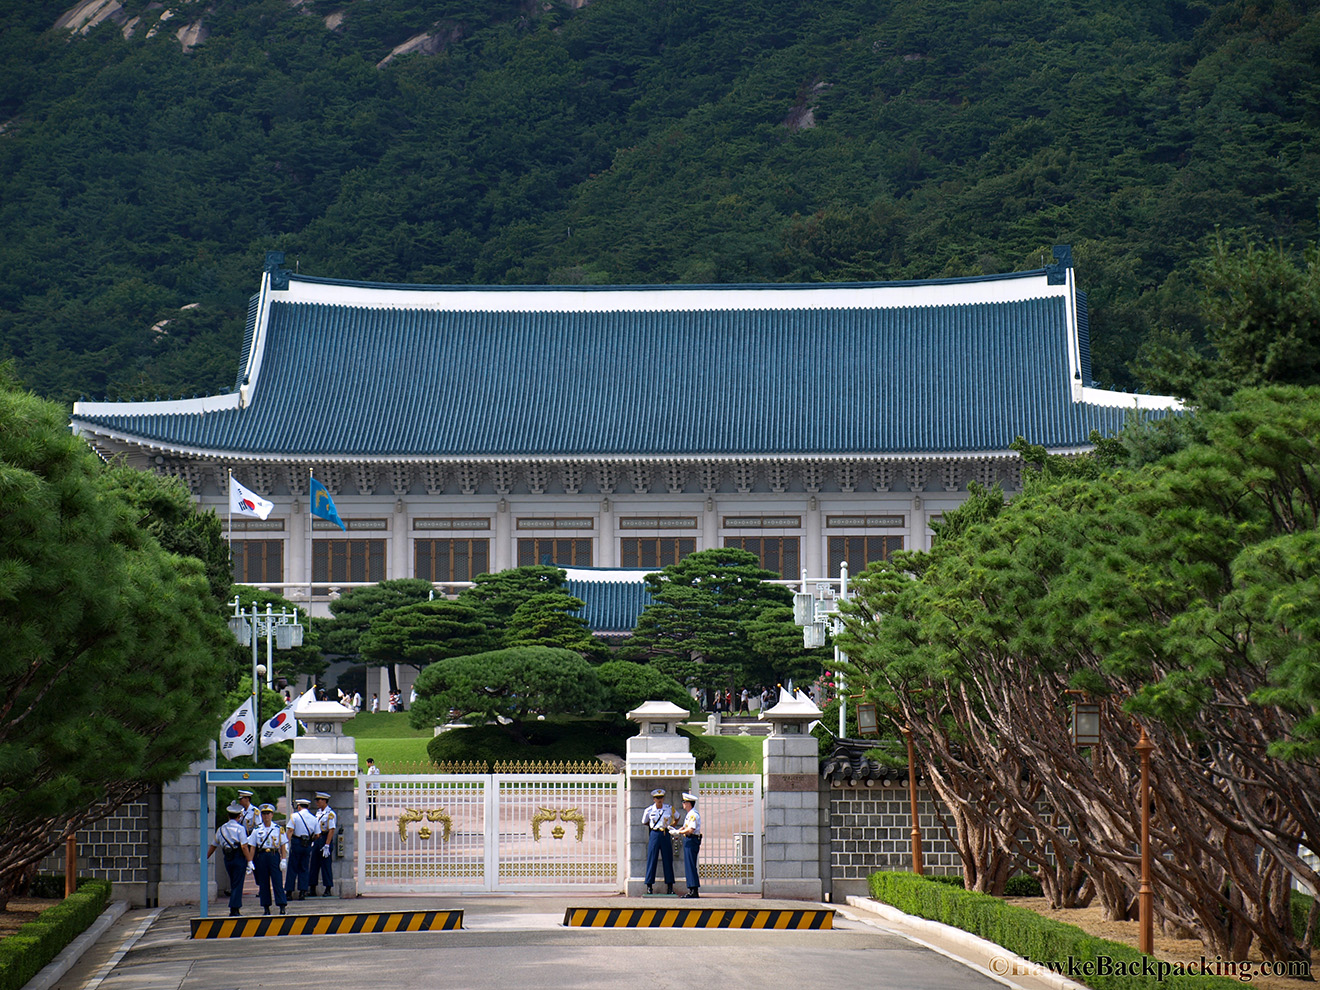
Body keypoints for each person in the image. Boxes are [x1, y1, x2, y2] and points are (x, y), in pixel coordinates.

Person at [244, 803, 288, 916]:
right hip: (262, 856)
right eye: (264, 814)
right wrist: (250, 861)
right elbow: (253, 847)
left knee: (277, 881)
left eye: (268, 813)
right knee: (263, 883)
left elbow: (283, 845)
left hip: (273, 855)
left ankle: (282, 905)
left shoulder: (278, 829)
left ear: (272, 815)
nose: (266, 816)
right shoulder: (257, 830)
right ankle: (266, 907)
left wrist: (283, 859)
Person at [207, 802, 249, 916]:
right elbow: (244, 846)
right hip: (238, 856)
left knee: (233, 881)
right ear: (239, 816)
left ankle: (234, 907)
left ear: (228, 816)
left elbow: (213, 845)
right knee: (238, 883)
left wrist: (206, 857)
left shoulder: (221, 829)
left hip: (227, 857)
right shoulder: (240, 829)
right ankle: (234, 908)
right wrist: (250, 860)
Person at [640, 788, 676, 895]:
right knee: (652, 859)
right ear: (654, 799)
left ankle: (670, 886)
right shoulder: (649, 810)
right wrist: (653, 827)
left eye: (661, 797)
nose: (659, 800)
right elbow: (644, 821)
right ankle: (649, 886)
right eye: (657, 798)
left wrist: (671, 826)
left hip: (665, 833)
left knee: (667, 860)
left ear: (663, 798)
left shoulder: (669, 809)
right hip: (654, 834)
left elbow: (677, 817)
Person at [285, 797, 319, 901]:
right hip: (307, 844)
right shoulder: (314, 818)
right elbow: (317, 834)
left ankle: (289, 892)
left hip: (297, 842)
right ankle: (302, 892)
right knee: (304, 868)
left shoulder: (294, 816)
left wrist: (286, 843)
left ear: (299, 806)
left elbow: (290, 830)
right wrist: (311, 840)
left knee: (292, 868)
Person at [671, 792, 702, 898]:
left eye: (684, 802)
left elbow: (690, 830)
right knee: (689, 865)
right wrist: (676, 830)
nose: (683, 804)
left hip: (692, 840)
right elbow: (685, 827)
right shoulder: (689, 814)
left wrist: (678, 832)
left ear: (689, 803)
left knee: (691, 865)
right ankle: (691, 889)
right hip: (688, 840)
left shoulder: (693, 815)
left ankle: (693, 890)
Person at [311, 791, 337, 897]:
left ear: (324, 801)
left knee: (326, 865)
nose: (317, 802)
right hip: (317, 838)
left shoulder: (330, 814)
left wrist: (327, 845)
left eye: (319, 800)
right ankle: (312, 887)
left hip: (325, 838)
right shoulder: (318, 813)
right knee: (314, 864)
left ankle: (328, 888)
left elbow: (331, 830)